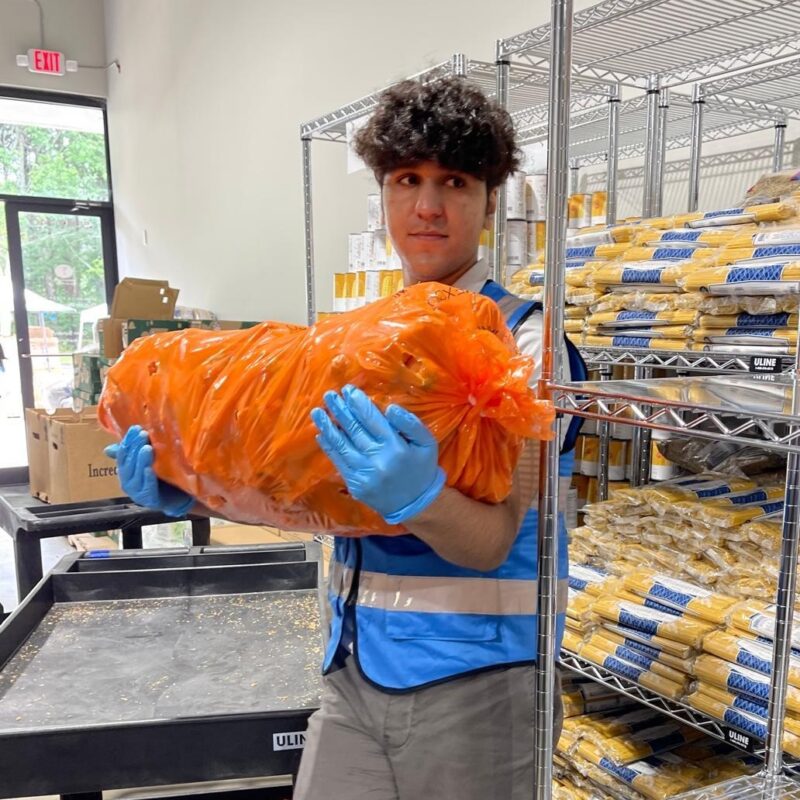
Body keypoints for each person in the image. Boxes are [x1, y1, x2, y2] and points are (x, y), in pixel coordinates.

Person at [107, 77, 582, 799]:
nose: (426, 206)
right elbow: (301, 494)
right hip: (353, 669)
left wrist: (421, 498)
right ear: (384, 195)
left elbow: (491, 540)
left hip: (480, 689)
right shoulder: (363, 337)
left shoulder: (525, 345)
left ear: (490, 200)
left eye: (454, 181)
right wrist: (188, 490)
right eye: (406, 180)